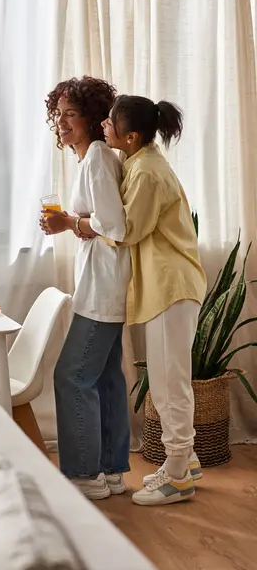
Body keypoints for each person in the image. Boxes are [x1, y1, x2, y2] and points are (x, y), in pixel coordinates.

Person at [102, 95, 207, 506]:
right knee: (168, 381)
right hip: (167, 287)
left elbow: (128, 229)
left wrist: (81, 225)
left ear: (130, 136)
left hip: (171, 288)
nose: (104, 127)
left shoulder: (146, 171)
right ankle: (188, 460)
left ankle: (178, 477)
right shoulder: (141, 162)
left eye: (110, 122)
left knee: (168, 384)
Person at [40, 77, 131, 500]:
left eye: (70, 114)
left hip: (103, 288)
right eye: (58, 114)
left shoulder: (96, 156)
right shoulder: (92, 157)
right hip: (104, 284)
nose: (61, 122)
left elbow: (114, 223)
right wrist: (73, 226)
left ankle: (83, 476)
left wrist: (68, 224)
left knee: (72, 377)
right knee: (105, 379)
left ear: (93, 118)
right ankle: (111, 472)